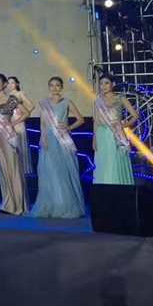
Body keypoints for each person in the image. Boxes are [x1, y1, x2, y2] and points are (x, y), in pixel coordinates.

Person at [32, 77, 86, 219]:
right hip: (48, 141)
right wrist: (43, 139)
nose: (54, 88)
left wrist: (69, 127)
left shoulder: (67, 102)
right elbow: (43, 123)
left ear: (61, 87)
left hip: (62, 141)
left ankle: (64, 204)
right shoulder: (44, 103)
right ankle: (51, 204)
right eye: (52, 85)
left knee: (62, 172)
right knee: (49, 172)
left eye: (57, 85)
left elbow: (81, 119)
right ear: (49, 87)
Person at [0, 74, 30, 216]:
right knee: (3, 170)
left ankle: (18, 204)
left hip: (8, 136)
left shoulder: (11, 99)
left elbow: (26, 113)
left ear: (5, 84)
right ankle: (8, 203)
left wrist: (12, 123)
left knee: (13, 168)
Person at [93, 74, 139, 185]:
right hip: (101, 134)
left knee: (115, 160)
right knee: (103, 162)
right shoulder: (98, 101)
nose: (103, 86)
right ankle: (104, 188)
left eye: (106, 83)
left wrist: (124, 125)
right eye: (101, 83)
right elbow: (97, 120)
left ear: (113, 84)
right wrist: (94, 138)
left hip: (115, 134)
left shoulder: (121, 98)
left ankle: (117, 186)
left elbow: (135, 115)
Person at [6, 76, 35, 175]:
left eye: (12, 83)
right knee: (11, 144)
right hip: (10, 121)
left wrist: (23, 113)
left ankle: (22, 168)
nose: (10, 85)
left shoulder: (20, 94)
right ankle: (14, 168)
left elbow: (31, 105)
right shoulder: (7, 95)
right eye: (8, 83)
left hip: (19, 121)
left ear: (17, 84)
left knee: (19, 143)